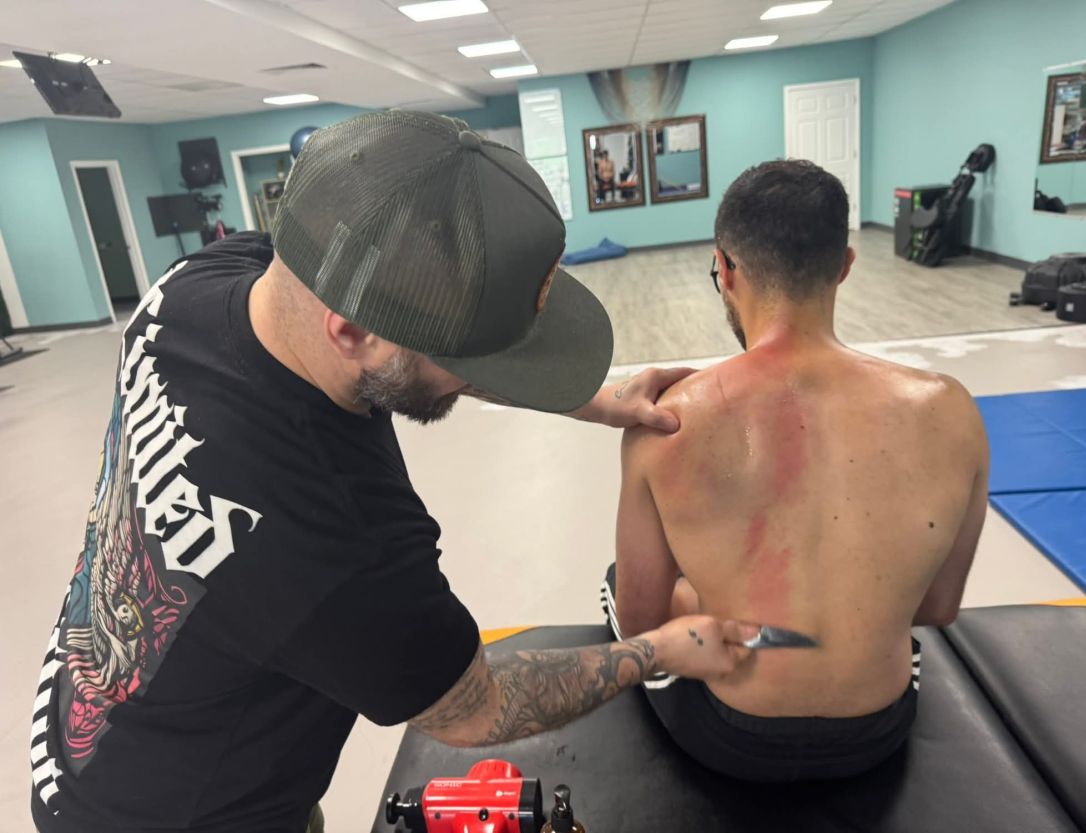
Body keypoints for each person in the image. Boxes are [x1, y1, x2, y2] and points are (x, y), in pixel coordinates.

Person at [29, 112, 760, 833]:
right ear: (352, 329)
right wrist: (654, 650)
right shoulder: (336, 538)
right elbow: (475, 707)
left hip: (81, 737)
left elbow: (408, 348)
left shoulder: (197, 283)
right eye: (469, 357)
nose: (475, 374)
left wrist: (592, 400)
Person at [604, 159, 990, 782]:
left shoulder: (666, 424)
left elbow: (646, 627)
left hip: (736, 737)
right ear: (844, 265)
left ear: (725, 270)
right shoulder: (950, 407)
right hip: (881, 729)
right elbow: (938, 609)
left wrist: (719, 593)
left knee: (619, 583)